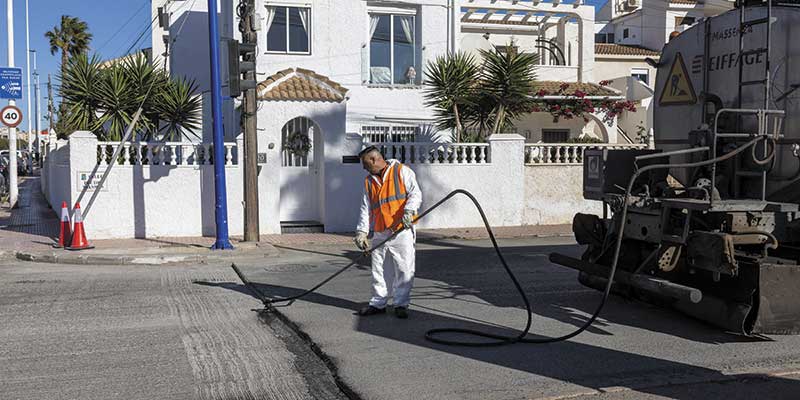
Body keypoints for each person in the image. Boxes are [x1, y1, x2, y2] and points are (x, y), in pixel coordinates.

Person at [354, 146, 422, 319]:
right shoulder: (369, 182)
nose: (363, 168)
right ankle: (378, 303)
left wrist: (409, 211)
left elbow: (415, 194)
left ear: (374, 159)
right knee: (379, 269)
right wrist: (361, 231)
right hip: (380, 232)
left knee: (404, 268)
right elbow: (366, 208)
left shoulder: (401, 171)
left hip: (401, 230)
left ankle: (401, 304)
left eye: (365, 163)